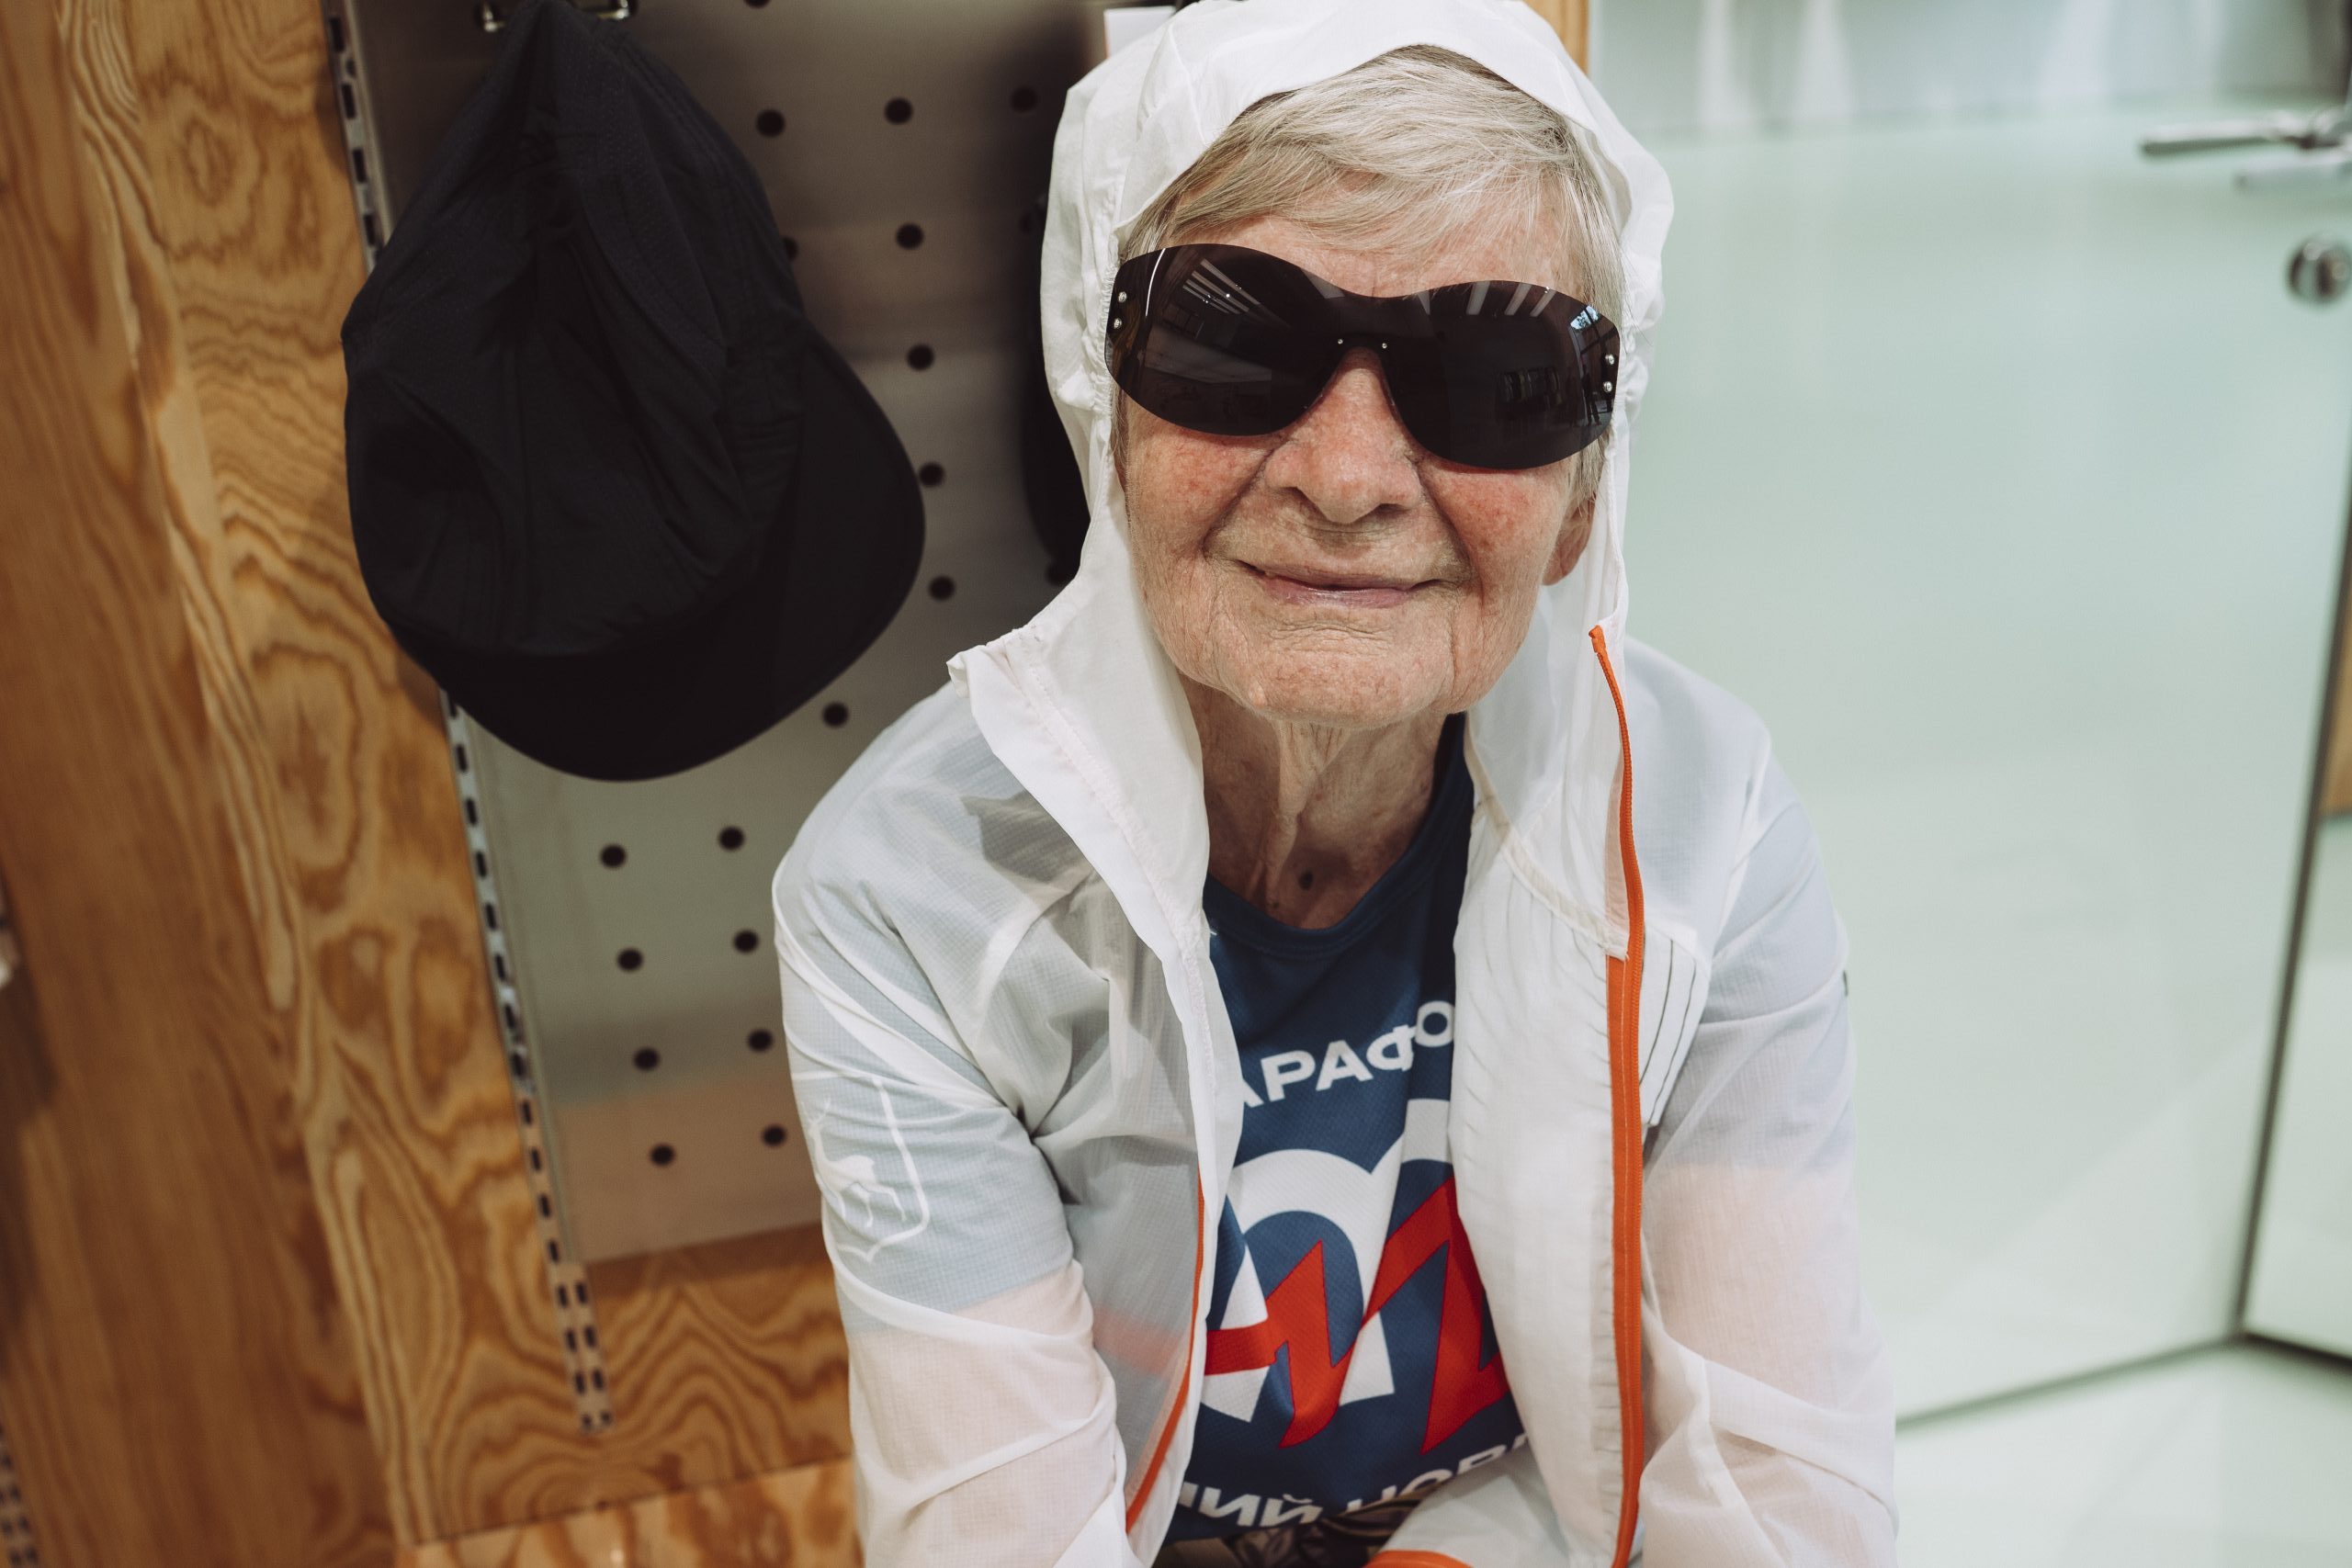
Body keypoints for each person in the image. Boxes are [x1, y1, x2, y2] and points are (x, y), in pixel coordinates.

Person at [771, 1, 1897, 1562]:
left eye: (1495, 375)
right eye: (1233, 343)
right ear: (1107, 418)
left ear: (1582, 499)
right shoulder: (915, 895)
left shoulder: (1708, 825)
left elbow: (1779, 1493)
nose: (1347, 477)